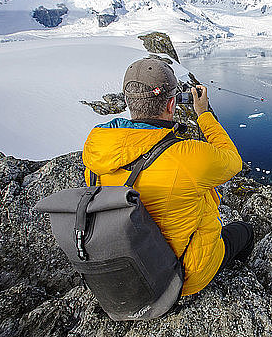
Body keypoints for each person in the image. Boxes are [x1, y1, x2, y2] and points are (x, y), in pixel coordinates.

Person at [81, 57, 254, 296]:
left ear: (130, 101)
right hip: (180, 276)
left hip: (129, 269)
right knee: (244, 231)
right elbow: (233, 161)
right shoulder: (187, 156)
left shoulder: (98, 152)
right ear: (172, 104)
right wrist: (203, 114)